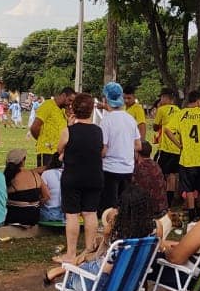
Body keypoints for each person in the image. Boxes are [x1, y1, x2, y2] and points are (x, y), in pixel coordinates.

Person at [48, 185, 163, 291]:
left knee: (80, 272)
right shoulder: (156, 227)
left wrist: (96, 246)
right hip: (134, 282)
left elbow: (103, 263)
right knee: (136, 268)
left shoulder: (115, 229)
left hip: (104, 287)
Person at [58, 92, 105, 263]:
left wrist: (69, 125)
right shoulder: (98, 131)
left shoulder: (68, 131)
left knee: (72, 215)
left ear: (73, 110)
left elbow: (59, 149)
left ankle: (71, 254)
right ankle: (89, 251)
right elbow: (101, 151)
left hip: (73, 176)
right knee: (90, 213)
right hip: (94, 176)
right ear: (92, 110)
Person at [174, 88, 200, 217]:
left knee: (189, 189)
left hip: (187, 158)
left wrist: (179, 144)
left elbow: (168, 130)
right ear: (198, 101)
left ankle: (191, 214)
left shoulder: (182, 113)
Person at [99, 82, 140, 207]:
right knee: (124, 206)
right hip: (127, 168)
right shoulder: (130, 119)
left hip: (110, 169)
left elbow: (103, 151)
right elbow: (138, 145)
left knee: (110, 208)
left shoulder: (106, 121)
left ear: (106, 99)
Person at [30, 85, 73, 170]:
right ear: (63, 95)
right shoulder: (48, 105)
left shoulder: (63, 111)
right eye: (70, 100)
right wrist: (43, 140)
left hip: (58, 152)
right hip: (46, 151)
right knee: (45, 178)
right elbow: (34, 127)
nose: (70, 103)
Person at [152, 88, 183, 202]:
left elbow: (155, 127)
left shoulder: (162, 109)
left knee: (159, 172)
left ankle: (160, 198)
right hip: (177, 147)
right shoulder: (179, 110)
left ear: (166, 98)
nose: (160, 99)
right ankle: (170, 201)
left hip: (165, 147)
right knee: (173, 175)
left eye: (162, 97)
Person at [3, 148, 43, 226]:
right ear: (23, 160)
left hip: (15, 217)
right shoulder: (35, 175)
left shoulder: (8, 178)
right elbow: (47, 196)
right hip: (34, 217)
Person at [131, 140, 168, 215]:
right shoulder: (155, 165)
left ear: (137, 153)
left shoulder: (139, 168)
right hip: (161, 207)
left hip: (148, 210)